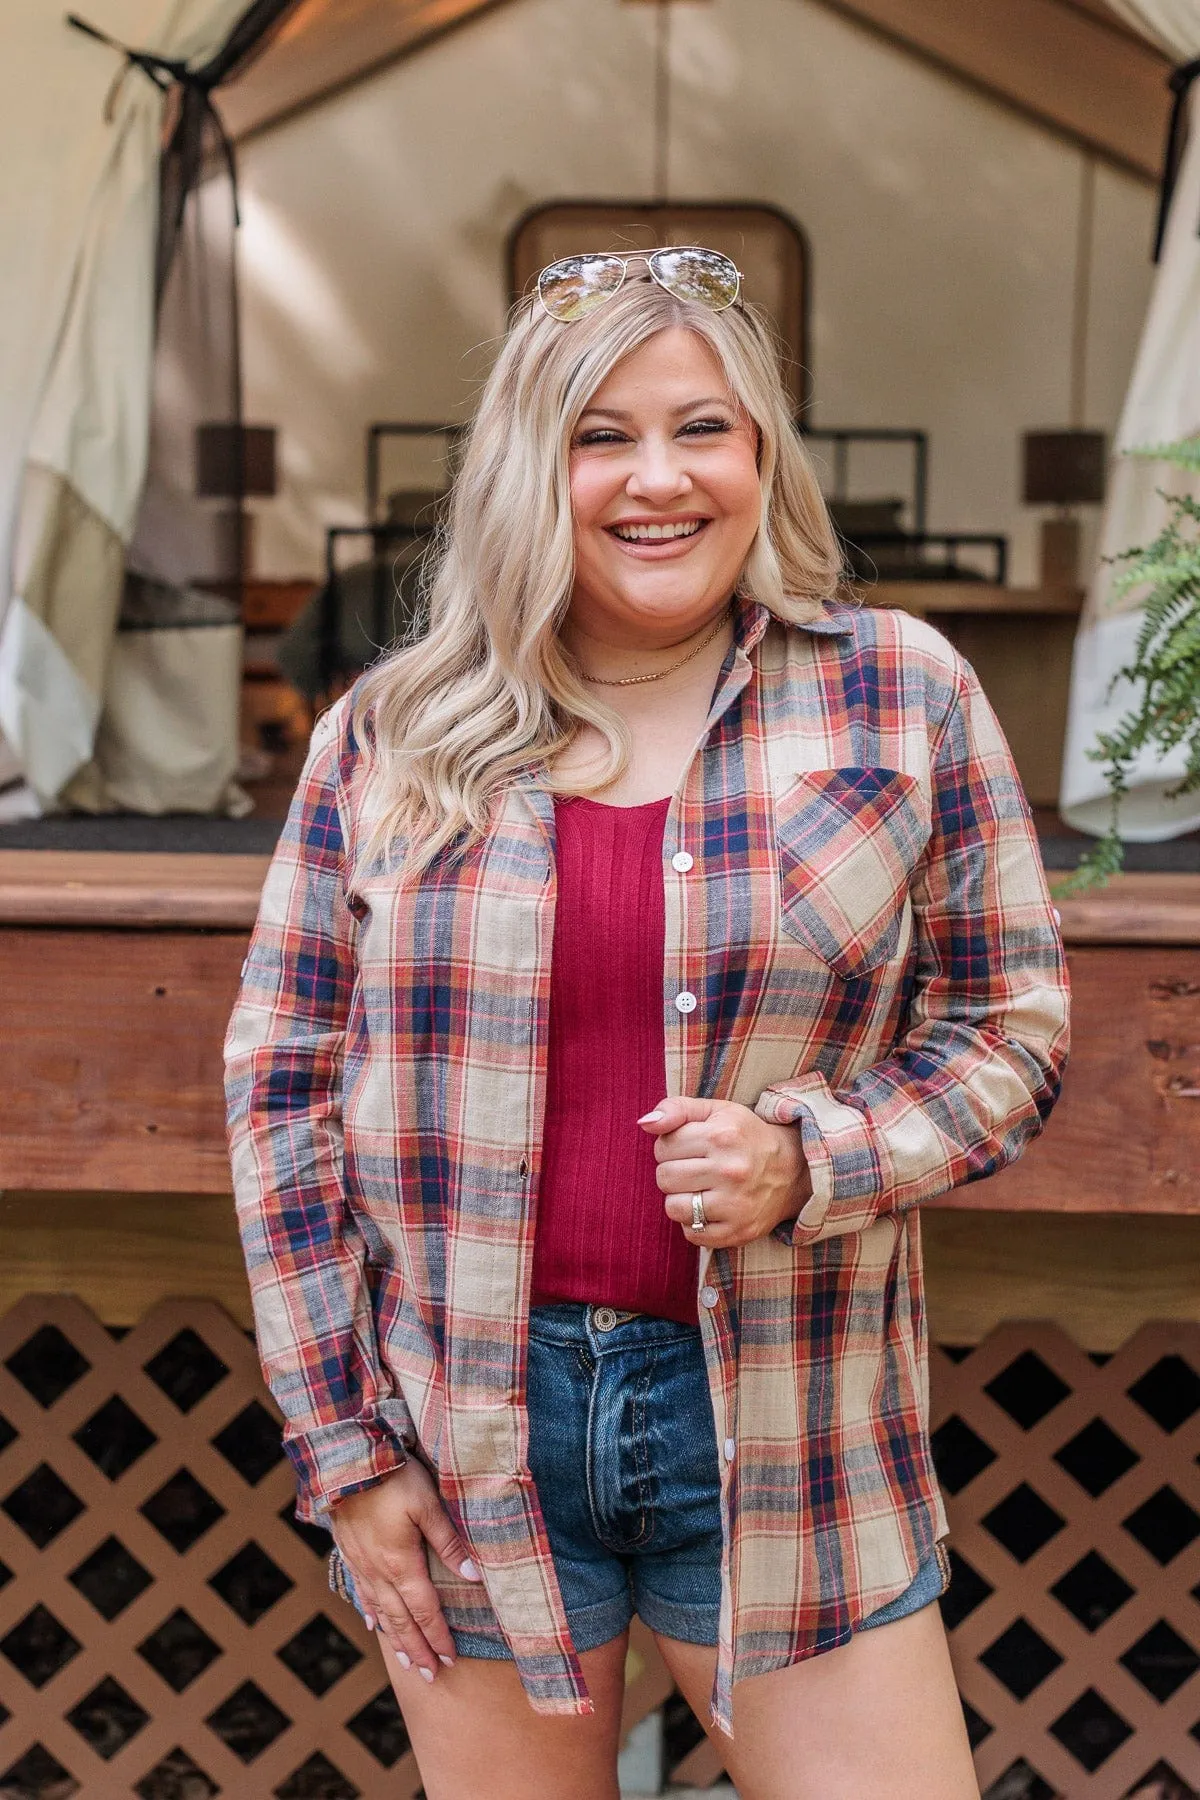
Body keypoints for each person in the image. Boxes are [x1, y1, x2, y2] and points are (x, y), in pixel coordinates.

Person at [225, 248, 1070, 1800]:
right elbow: (282, 1094)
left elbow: (1008, 1030)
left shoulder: (901, 698)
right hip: (469, 1422)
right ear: (527, 468)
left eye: (705, 428)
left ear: (764, 457)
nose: (657, 479)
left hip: (788, 1410)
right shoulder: (391, 734)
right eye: (599, 434)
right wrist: (344, 1449)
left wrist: (812, 1155)